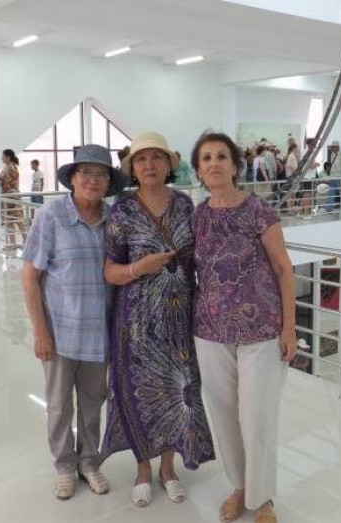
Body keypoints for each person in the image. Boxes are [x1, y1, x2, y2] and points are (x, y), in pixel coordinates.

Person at [99, 132, 214, 508]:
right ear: (132, 168)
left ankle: (168, 469)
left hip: (180, 319)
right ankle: (143, 470)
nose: (149, 165)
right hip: (136, 322)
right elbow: (110, 271)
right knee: (139, 393)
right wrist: (139, 268)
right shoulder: (122, 210)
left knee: (176, 393)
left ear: (169, 165)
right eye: (141, 159)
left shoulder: (184, 205)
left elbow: (200, 258)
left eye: (156, 157)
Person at [191, 132, 297, 523]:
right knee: (223, 415)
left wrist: (289, 329)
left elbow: (284, 269)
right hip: (210, 331)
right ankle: (239, 486)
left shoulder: (258, 210)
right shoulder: (198, 216)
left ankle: (262, 497)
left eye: (221, 156)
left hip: (262, 331)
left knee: (257, 418)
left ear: (235, 165)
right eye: (206, 158)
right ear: (199, 170)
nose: (214, 163)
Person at [21, 144, 128, 500]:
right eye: (86, 173)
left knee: (93, 403)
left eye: (101, 174)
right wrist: (40, 331)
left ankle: (89, 462)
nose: (93, 180)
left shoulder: (114, 219)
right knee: (58, 405)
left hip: (99, 334)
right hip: (60, 333)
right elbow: (30, 277)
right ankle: (64, 466)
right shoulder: (51, 216)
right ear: (73, 178)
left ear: (109, 182)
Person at [0, 148, 27, 250]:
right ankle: (13, 243)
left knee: (18, 219)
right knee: (10, 220)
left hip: (11, 197)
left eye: (3, 156)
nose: (1, 158)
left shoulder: (10, 168)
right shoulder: (10, 167)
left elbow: (7, 183)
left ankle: (26, 240)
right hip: (9, 197)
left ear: (8, 157)